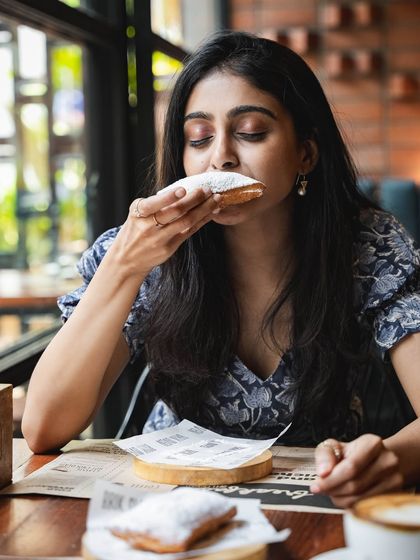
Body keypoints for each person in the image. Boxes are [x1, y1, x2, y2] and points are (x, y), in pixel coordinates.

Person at [22, 31, 420, 507]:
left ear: (305, 154)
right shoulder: (147, 254)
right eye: (198, 138)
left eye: (251, 131)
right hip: (165, 499)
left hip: (319, 498)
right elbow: (44, 427)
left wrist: (394, 456)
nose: (220, 156)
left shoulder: (366, 246)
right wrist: (123, 267)